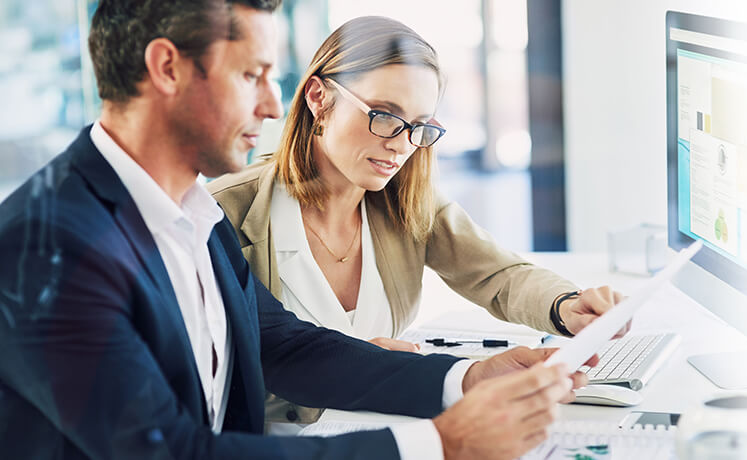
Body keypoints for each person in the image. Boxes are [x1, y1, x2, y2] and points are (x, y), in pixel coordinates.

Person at [0, 1, 598, 459]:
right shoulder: (45, 245)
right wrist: (436, 445)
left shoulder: (188, 215)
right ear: (167, 69)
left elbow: (284, 346)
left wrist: (465, 377)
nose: (271, 104)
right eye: (251, 75)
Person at [208, 16, 625, 425]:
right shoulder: (222, 214)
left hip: (390, 435)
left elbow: (499, 276)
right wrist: (354, 370)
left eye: (419, 126)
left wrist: (565, 305)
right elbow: (213, 374)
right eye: (384, 115)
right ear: (318, 97)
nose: (401, 144)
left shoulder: (404, 201)